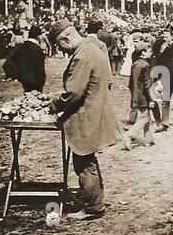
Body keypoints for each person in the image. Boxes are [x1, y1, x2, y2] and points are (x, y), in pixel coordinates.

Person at [48, 19, 122, 220]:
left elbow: (74, 93)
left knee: (83, 162)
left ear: (66, 38)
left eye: (59, 45)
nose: (61, 50)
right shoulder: (93, 48)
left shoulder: (82, 56)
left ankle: (93, 207)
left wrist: (55, 102)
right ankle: (95, 200)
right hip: (96, 109)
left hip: (86, 115)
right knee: (88, 160)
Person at [124, 39, 155, 150]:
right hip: (143, 96)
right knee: (145, 118)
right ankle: (129, 136)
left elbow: (133, 83)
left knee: (146, 117)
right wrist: (151, 99)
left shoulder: (135, 64)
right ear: (143, 52)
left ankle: (149, 140)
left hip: (137, 94)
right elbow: (147, 85)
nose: (151, 53)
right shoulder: (145, 65)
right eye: (149, 51)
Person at [2, 25, 46, 92]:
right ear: (37, 37)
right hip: (36, 82)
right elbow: (39, 69)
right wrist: (41, 81)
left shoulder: (21, 47)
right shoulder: (37, 49)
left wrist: (18, 76)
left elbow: (7, 65)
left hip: (25, 80)